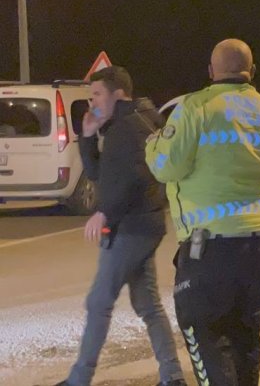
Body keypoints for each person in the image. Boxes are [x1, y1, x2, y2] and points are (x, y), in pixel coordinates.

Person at [145, 39, 260, 386]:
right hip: (257, 250)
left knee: (205, 336)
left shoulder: (195, 108)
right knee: (246, 339)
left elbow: (165, 167)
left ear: (211, 71)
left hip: (209, 253)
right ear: (252, 72)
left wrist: (154, 141)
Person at [58, 66, 185, 386]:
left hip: (131, 226)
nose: (92, 102)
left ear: (118, 94)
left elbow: (136, 177)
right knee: (148, 304)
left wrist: (105, 213)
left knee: (99, 302)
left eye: (98, 94)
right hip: (146, 222)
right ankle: (172, 376)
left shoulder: (128, 128)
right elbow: (103, 175)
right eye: (90, 96)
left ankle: (79, 379)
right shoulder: (137, 120)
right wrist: (88, 137)